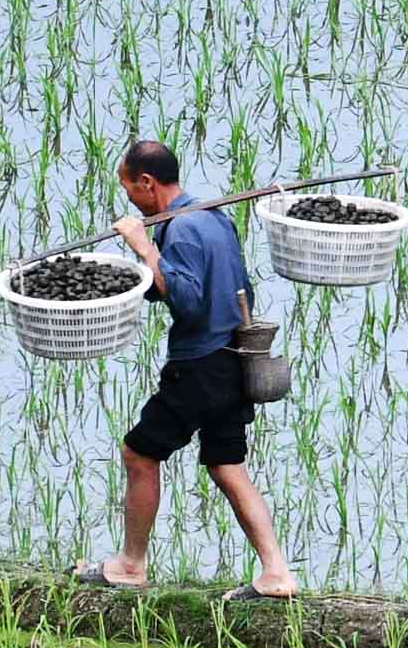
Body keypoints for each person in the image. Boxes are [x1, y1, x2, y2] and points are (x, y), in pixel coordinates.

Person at [89, 137, 299, 598]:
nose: (129, 198)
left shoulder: (179, 230)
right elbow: (216, 285)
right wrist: (148, 273)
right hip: (235, 359)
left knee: (139, 453)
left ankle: (130, 565)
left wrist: (145, 248)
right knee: (228, 465)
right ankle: (277, 573)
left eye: (128, 188)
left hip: (200, 365)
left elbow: (187, 301)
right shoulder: (213, 217)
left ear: (146, 183)